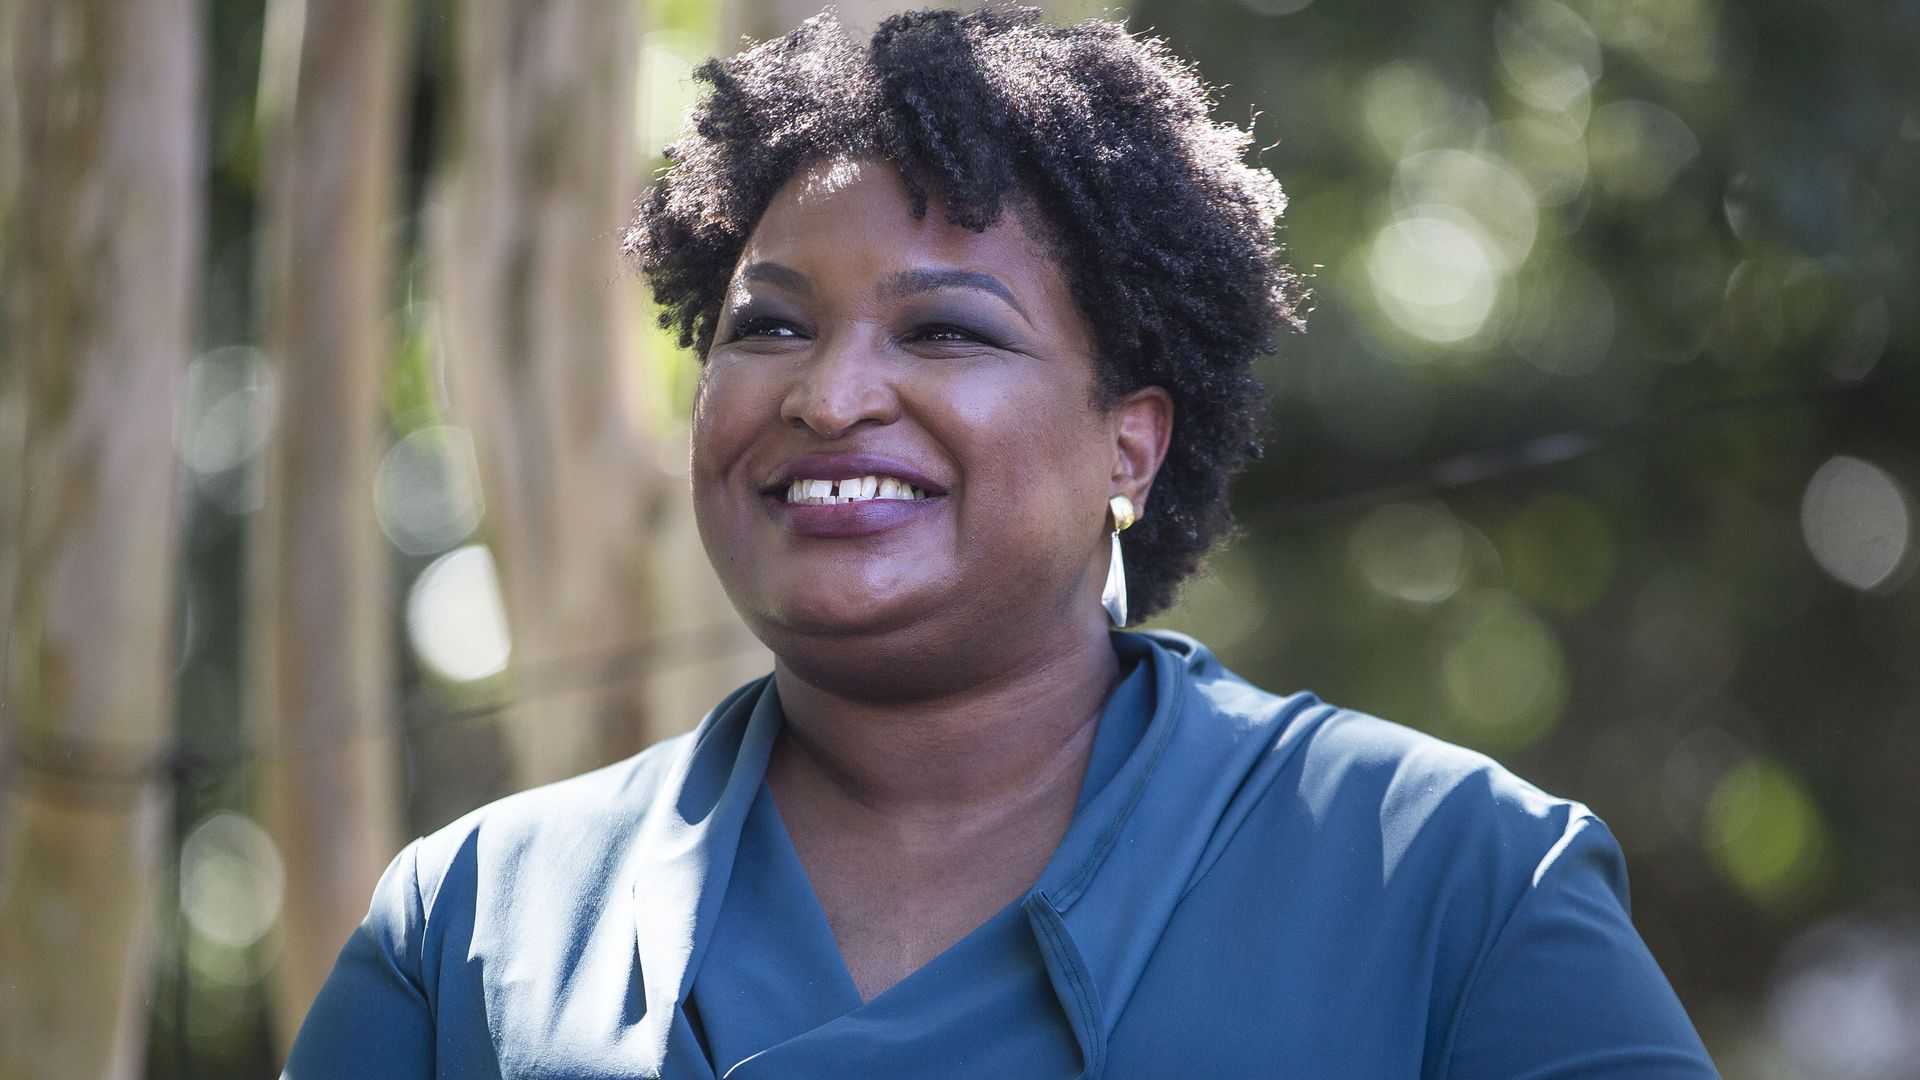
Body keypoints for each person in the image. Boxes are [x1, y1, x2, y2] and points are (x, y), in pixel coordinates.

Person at [283, 9, 1719, 1078]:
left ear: (1129, 447)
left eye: (948, 331)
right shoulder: (471, 928)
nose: (829, 395)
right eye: (770, 324)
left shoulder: (1452, 881)